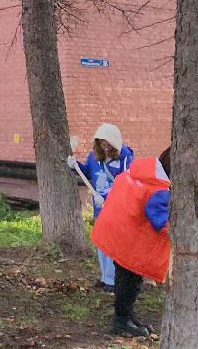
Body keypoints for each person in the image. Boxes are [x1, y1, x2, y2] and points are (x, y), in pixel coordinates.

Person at [89, 146, 171, 336]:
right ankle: (121, 320)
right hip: (128, 240)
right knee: (129, 282)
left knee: (125, 278)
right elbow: (160, 221)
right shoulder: (158, 188)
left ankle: (127, 315)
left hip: (117, 231)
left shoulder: (140, 172)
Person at [69, 124, 134, 291]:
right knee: (101, 243)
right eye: (101, 144)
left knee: (112, 244)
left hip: (116, 209)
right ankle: (105, 277)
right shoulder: (94, 157)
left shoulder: (125, 159)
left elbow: (125, 183)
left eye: (107, 144)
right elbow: (87, 172)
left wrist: (104, 196)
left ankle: (113, 280)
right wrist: (75, 166)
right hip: (100, 210)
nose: (104, 147)